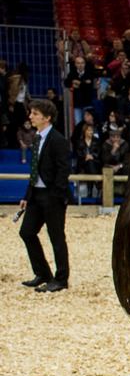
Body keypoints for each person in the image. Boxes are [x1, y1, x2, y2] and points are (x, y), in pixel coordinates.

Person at [19, 99, 73, 293]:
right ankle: (43, 274)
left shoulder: (58, 140)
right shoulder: (37, 138)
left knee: (56, 237)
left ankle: (61, 279)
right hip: (37, 195)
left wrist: (56, 195)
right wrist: (28, 195)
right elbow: (35, 169)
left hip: (52, 196)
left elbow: (63, 169)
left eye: (34, 113)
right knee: (26, 232)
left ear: (47, 117)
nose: (30, 116)